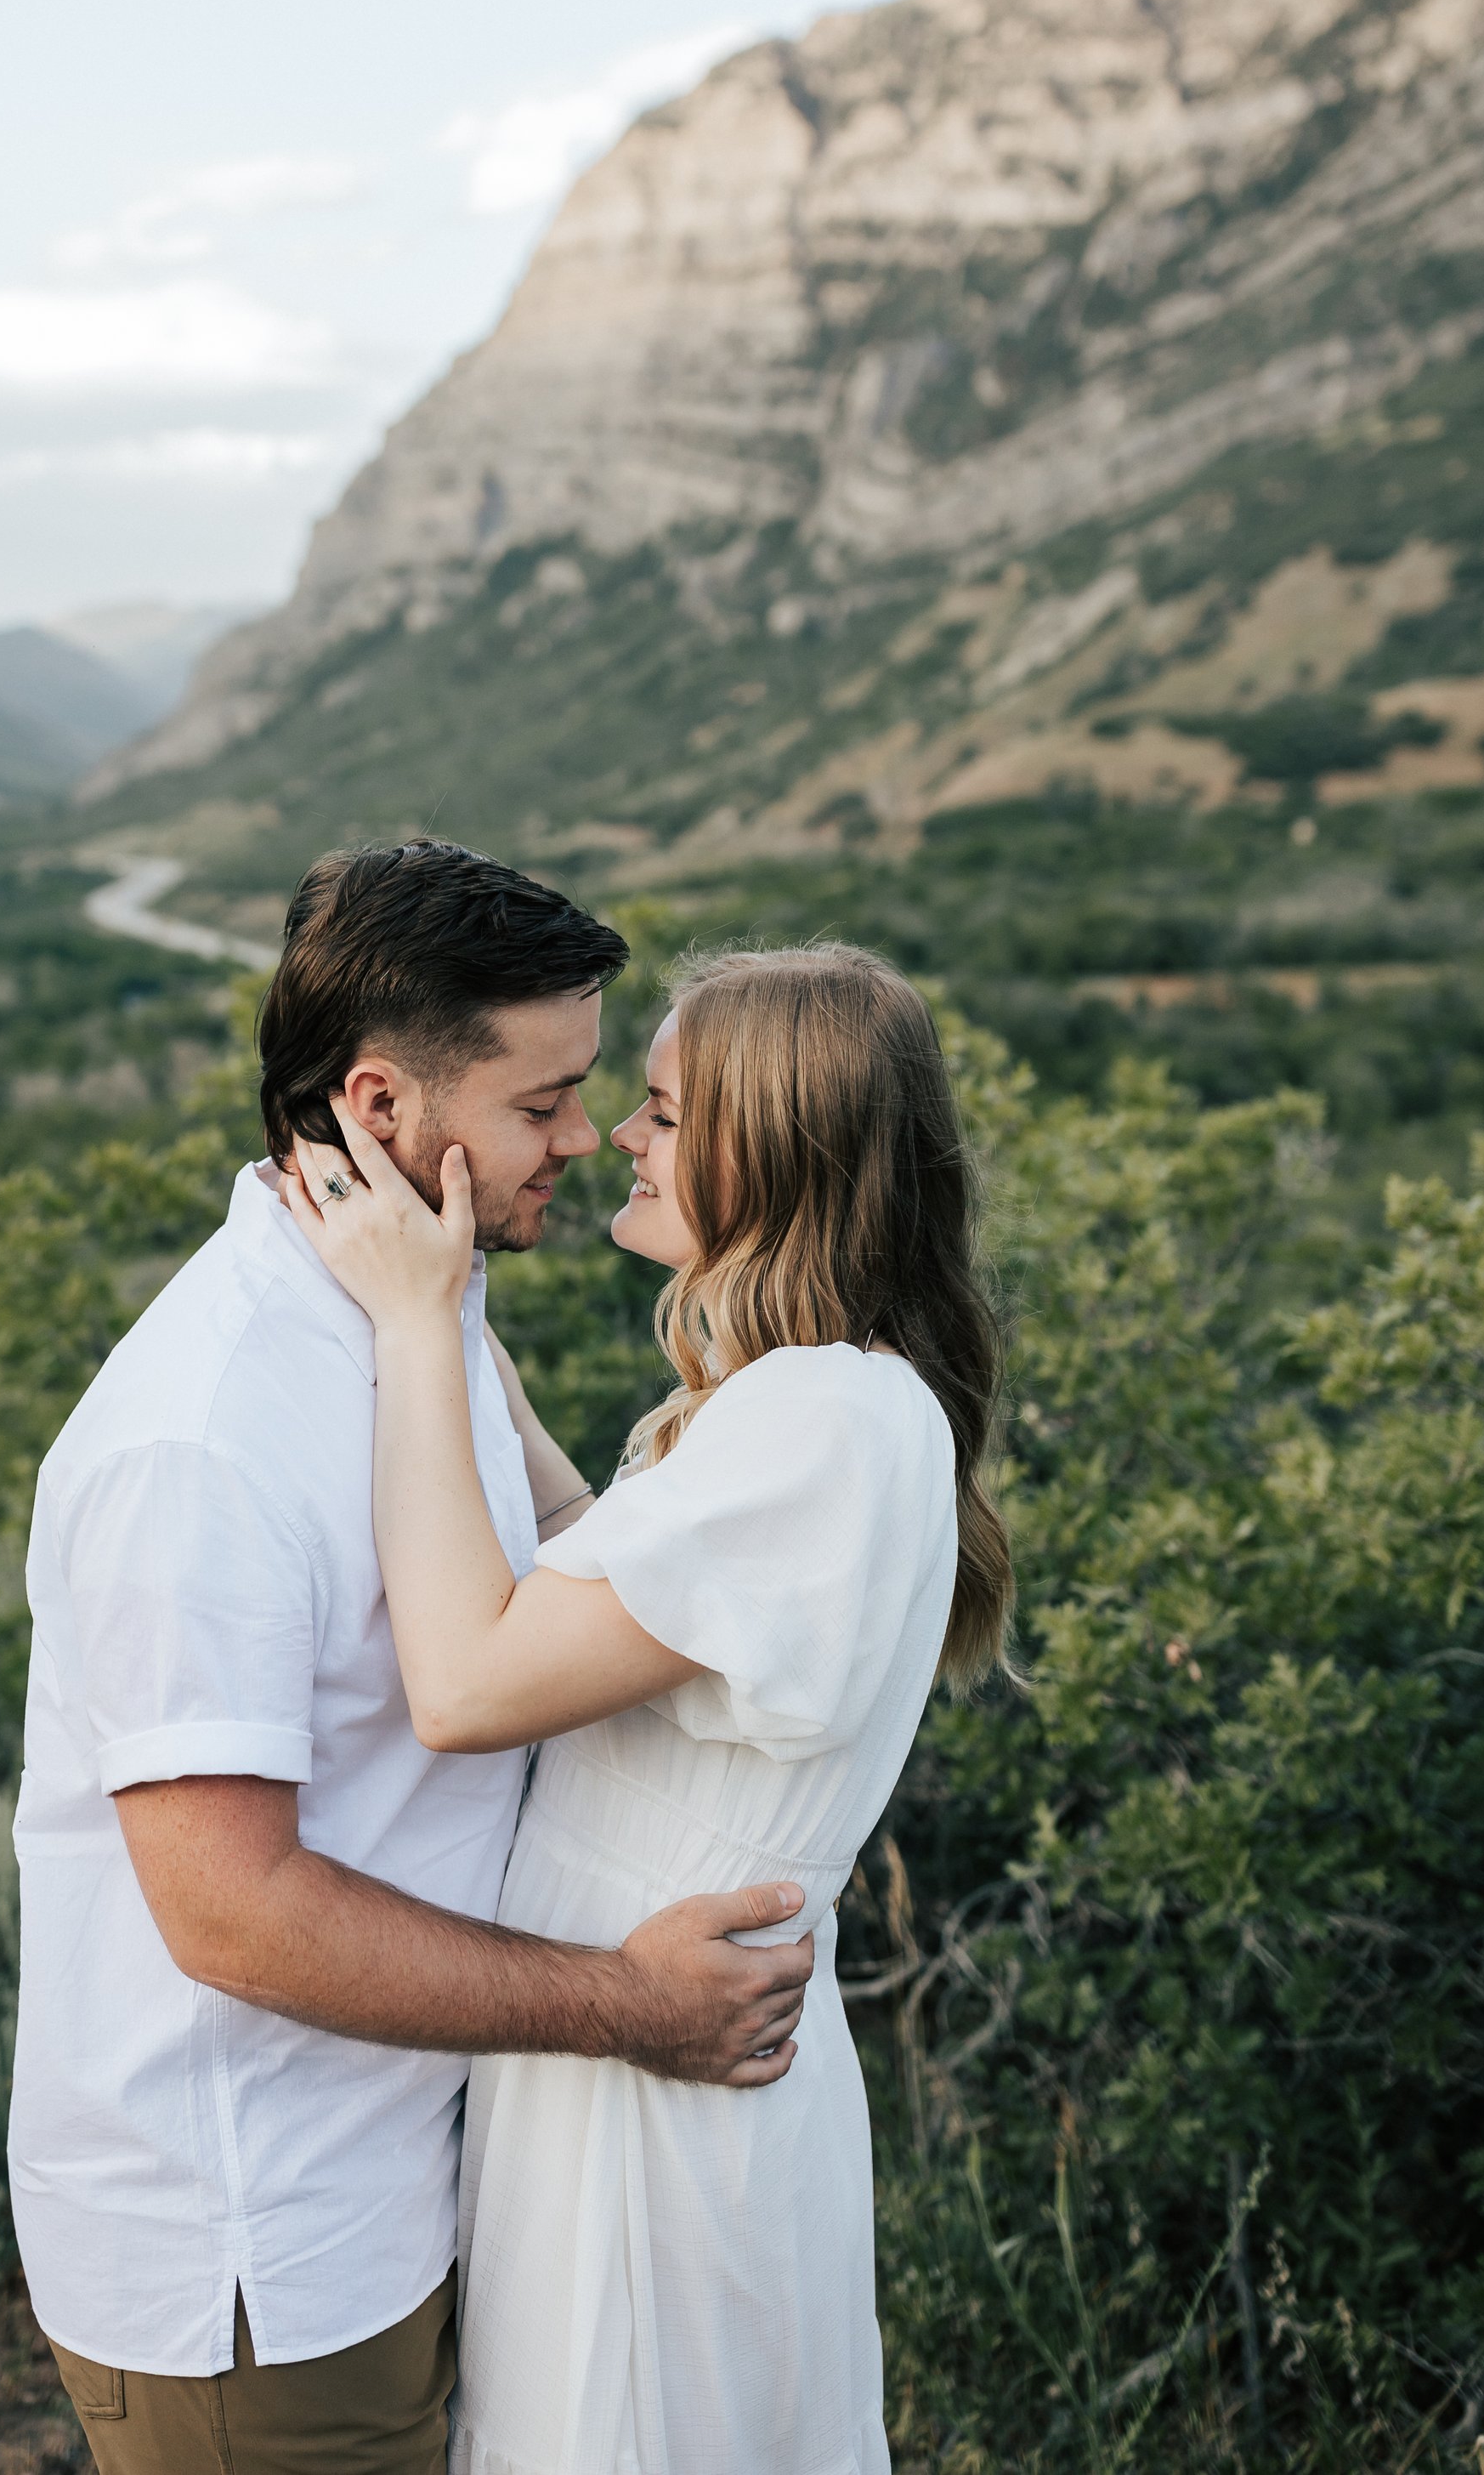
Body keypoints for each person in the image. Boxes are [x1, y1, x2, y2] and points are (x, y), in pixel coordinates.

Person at [9, 844, 817, 2475]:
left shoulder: (417, 1296)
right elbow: (232, 1910)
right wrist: (627, 2008)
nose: (584, 1141)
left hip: (417, 2173)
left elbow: (575, 1572)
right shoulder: (206, 1439)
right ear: (381, 1108)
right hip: (265, 2254)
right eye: (544, 1102)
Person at [286, 939, 1013, 2475]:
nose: (621, 1133)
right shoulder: (801, 1401)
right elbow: (574, 1568)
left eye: (669, 1113)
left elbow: (473, 1681)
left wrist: (417, 1335)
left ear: (781, 1151)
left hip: (667, 2067)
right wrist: (460, 1303)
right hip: (637, 2038)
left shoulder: (820, 1416)